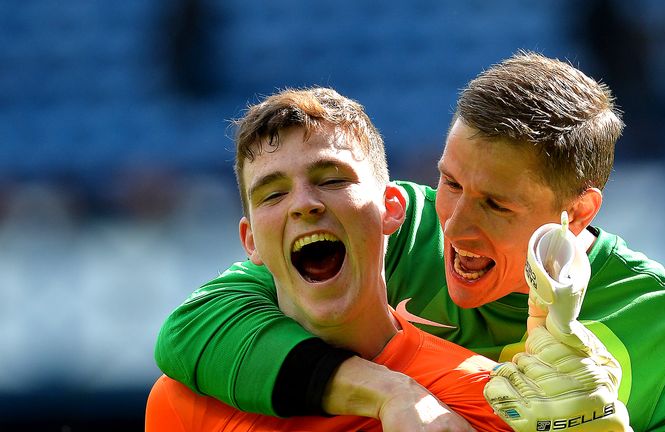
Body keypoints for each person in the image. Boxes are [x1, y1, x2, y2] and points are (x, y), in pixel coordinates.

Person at [154, 52, 665, 431]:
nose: (453, 224)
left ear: (578, 212)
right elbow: (190, 328)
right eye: (450, 182)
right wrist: (390, 393)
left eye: (494, 204)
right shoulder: (399, 225)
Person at [146, 87, 512, 431]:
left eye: (333, 180)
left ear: (391, 208)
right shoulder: (184, 403)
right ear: (251, 241)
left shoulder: (481, 396)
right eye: (273, 195)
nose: (304, 204)